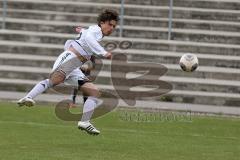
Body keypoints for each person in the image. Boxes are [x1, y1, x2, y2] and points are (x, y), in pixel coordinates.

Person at [17, 9, 119, 135]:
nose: (112, 28)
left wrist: (82, 30)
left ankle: (85, 122)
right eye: (110, 24)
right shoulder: (95, 31)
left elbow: (84, 36)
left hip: (75, 66)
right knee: (54, 81)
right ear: (102, 22)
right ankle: (28, 97)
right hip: (69, 59)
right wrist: (103, 52)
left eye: (114, 26)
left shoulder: (94, 31)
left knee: (94, 92)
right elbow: (88, 38)